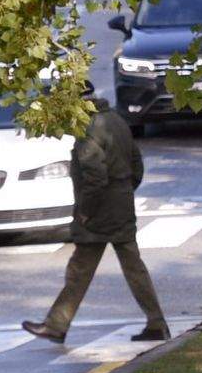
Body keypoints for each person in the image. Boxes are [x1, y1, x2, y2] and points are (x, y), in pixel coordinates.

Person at [26, 94, 168, 344]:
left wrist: (86, 211)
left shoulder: (89, 128)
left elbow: (95, 177)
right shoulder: (116, 120)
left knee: (81, 268)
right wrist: (123, 192)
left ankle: (56, 325)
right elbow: (137, 164)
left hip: (100, 209)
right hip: (120, 202)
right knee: (131, 267)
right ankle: (156, 323)